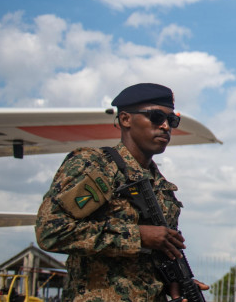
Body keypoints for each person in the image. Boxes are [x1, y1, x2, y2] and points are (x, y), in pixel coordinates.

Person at [36, 83, 203, 301]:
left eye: (171, 120)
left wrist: (175, 284)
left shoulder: (163, 188)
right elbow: (51, 232)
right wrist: (138, 236)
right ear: (125, 119)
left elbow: (150, 262)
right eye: (156, 117)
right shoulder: (97, 166)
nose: (165, 126)